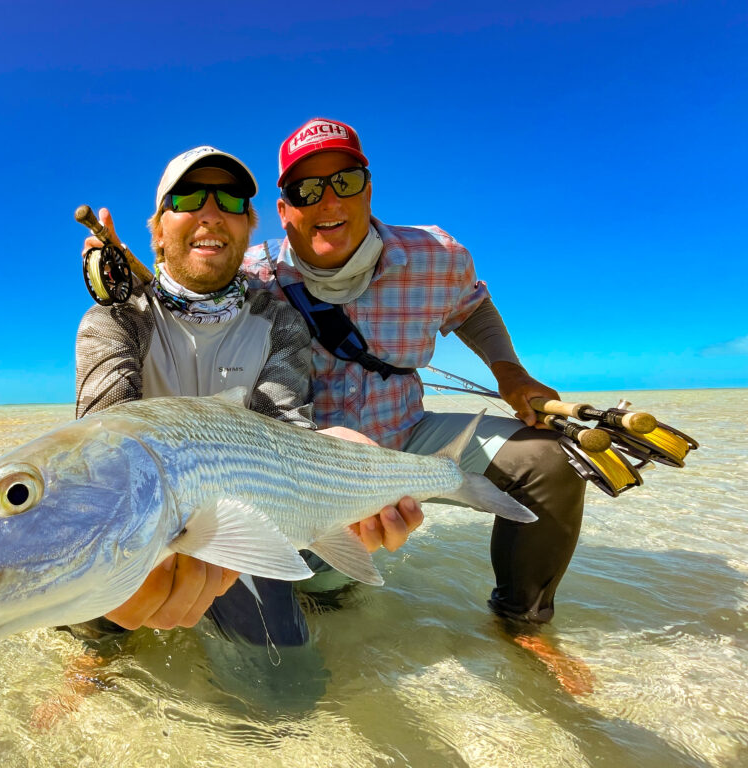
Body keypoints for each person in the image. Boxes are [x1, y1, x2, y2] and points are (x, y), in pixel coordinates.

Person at [71, 145, 422, 649]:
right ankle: (98, 652)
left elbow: (283, 431)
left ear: (249, 226)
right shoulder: (115, 319)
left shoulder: (280, 322)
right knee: (94, 618)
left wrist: (339, 463)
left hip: (247, 526)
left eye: (232, 201)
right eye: (188, 197)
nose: (212, 213)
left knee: (284, 692)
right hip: (143, 531)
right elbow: (102, 446)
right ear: (158, 229)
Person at [241, 117, 586, 628]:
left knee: (548, 460)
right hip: (310, 471)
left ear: (369, 187)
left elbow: (471, 307)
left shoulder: (436, 255)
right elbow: (183, 296)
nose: (329, 201)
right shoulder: (251, 278)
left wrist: (510, 373)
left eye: (346, 181)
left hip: (408, 435)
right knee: (325, 595)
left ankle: (522, 623)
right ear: (283, 209)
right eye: (306, 189)